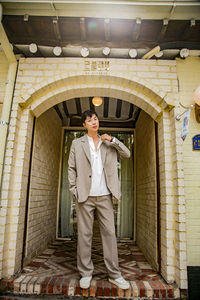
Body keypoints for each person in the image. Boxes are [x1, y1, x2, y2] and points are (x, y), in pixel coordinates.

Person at [68, 110, 130, 290]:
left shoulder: (108, 143)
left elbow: (126, 154)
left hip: (105, 196)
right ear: (84, 125)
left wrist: (113, 140)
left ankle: (114, 274)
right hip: (85, 196)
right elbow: (71, 168)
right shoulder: (76, 143)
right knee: (85, 235)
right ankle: (86, 273)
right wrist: (74, 190)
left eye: (95, 119)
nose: (94, 122)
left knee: (109, 234)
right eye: (89, 120)